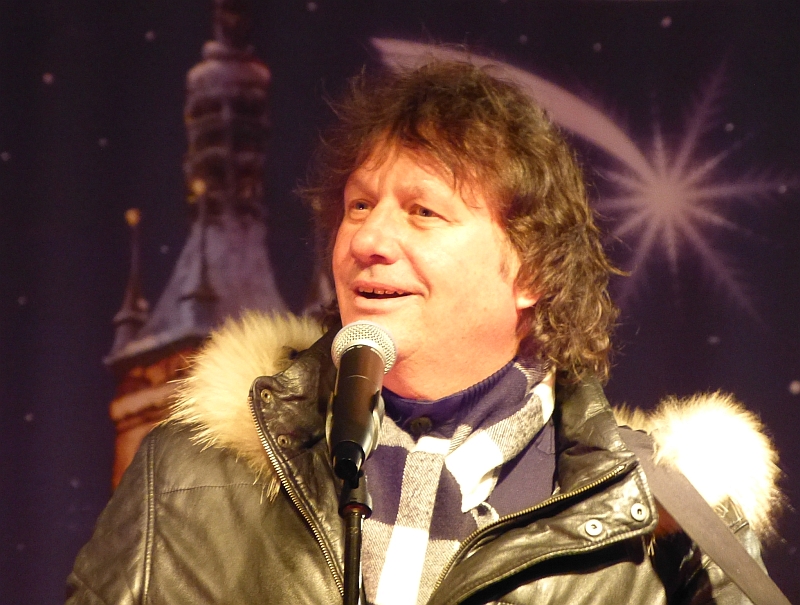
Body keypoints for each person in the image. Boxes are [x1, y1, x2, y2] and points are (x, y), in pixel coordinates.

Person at [67, 61, 782, 604]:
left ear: (532, 269)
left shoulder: (666, 525)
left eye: (422, 212)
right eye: (358, 205)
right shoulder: (185, 474)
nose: (368, 239)